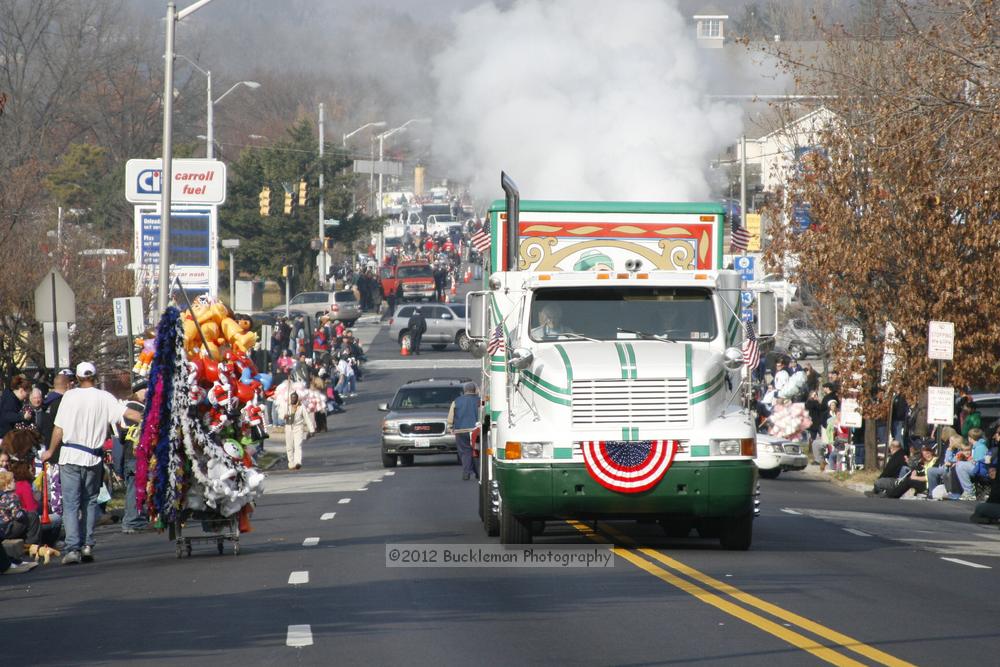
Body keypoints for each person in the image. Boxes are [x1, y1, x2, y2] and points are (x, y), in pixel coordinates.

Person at [41, 362, 141, 565]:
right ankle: (86, 544)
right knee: (89, 501)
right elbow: (126, 413)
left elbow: (58, 429)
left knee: (71, 503)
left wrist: (50, 451)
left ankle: (72, 548)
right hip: (93, 457)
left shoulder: (69, 397)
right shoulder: (104, 397)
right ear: (95, 377)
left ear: (76, 379)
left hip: (70, 455)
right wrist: (150, 418)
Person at [119, 380, 148, 534]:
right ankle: (132, 520)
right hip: (134, 454)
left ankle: (135, 518)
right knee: (135, 488)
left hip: (132, 455)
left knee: (136, 487)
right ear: (138, 391)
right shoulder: (135, 408)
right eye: (146, 389)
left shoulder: (129, 407)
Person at [448, 382, 480, 481]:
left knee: (465, 452)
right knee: (476, 452)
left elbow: (450, 417)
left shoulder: (456, 401)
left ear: (464, 391)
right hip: (475, 430)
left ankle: (466, 473)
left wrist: (450, 427)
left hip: (460, 431)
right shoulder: (479, 401)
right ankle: (478, 473)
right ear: (474, 390)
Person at [280, 392, 314, 470]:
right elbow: (281, 415)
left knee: (298, 445)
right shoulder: (287, 406)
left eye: (294, 398)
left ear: (297, 398)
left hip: (298, 427)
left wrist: (311, 429)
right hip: (288, 427)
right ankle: (291, 463)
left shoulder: (301, 407)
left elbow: (307, 418)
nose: (293, 399)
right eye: (292, 397)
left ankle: (298, 462)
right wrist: (284, 416)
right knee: (289, 446)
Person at [953, 427, 988, 501]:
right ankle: (965, 491)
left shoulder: (980, 447)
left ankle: (969, 492)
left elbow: (979, 462)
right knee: (959, 464)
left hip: (980, 470)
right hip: (978, 468)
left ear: (970, 438)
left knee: (960, 465)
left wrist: (971, 461)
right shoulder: (977, 446)